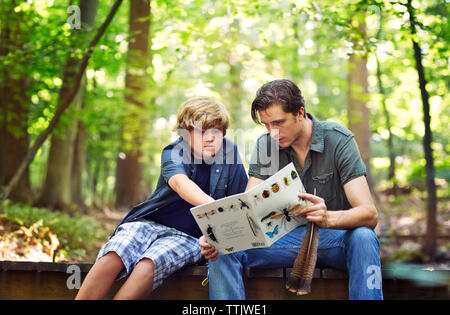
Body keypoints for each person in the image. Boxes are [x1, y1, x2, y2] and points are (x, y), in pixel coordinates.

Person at [199, 79, 383, 300]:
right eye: (266, 125)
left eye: (278, 122)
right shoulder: (266, 145)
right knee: (222, 247)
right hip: (286, 240)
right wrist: (216, 235)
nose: (273, 132)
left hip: (335, 241)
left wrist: (328, 218)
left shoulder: (338, 140)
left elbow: (369, 215)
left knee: (364, 236)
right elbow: (247, 210)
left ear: (300, 112)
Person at [76, 96, 248, 300]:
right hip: (150, 223)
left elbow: (240, 203)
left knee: (148, 265)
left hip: (190, 238)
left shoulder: (230, 154)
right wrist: (215, 207)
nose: (210, 138)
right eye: (202, 131)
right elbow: (179, 183)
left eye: (216, 131)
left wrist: (217, 234)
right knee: (115, 253)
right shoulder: (173, 151)